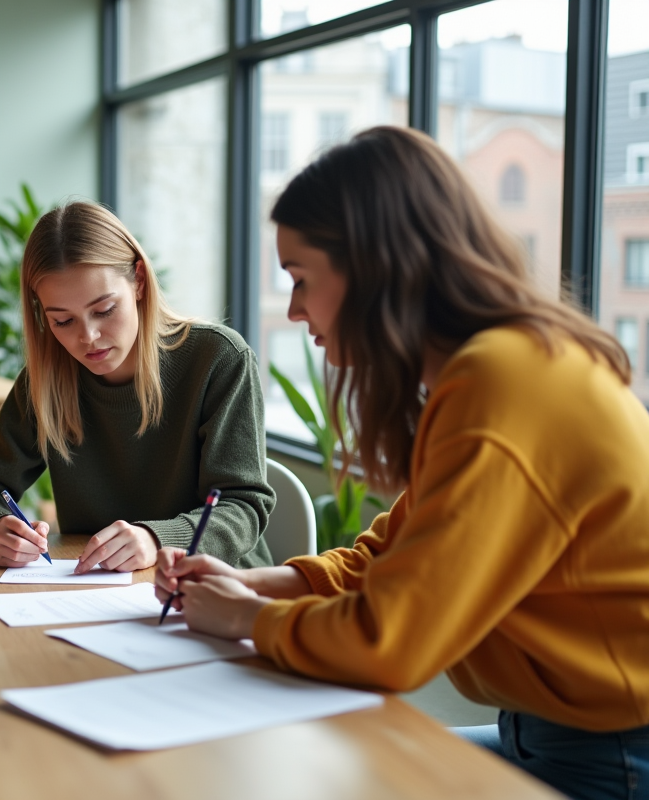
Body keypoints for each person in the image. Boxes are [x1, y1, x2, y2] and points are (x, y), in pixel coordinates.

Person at [155, 126, 649, 800]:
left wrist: (246, 619)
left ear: (375, 267)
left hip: (613, 755)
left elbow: (391, 641)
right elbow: (392, 556)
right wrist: (266, 585)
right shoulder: (496, 367)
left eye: (301, 280)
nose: (295, 309)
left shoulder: (505, 383)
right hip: (559, 732)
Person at [0, 202, 274, 573]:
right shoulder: (48, 379)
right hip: (96, 591)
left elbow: (242, 506)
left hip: (215, 587)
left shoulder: (218, 358)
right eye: (63, 320)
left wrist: (156, 539)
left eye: (104, 310)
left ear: (139, 281)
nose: (88, 337)